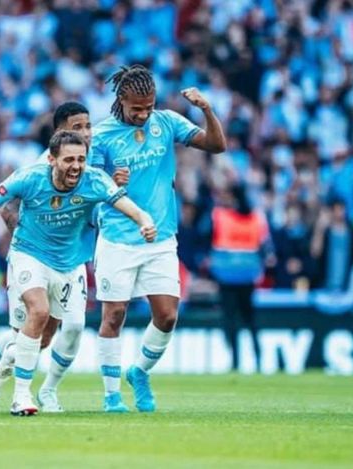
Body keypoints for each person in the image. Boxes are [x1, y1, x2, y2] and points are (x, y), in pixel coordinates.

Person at [0, 130, 157, 416]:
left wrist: (145, 221)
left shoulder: (95, 180)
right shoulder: (29, 178)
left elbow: (130, 208)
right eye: (69, 160)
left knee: (45, 339)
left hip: (68, 264)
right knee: (37, 312)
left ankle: (1, 365)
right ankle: (21, 396)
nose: (76, 166)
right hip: (28, 255)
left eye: (81, 159)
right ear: (52, 159)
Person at [91, 64, 226, 413]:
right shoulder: (102, 135)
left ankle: (139, 371)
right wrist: (110, 181)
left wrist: (206, 109)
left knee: (167, 316)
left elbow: (216, 144)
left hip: (162, 238)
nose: (143, 113)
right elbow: (86, 187)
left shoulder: (165, 123)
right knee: (114, 315)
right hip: (118, 238)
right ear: (121, 99)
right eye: (137, 107)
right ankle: (111, 396)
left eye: (148, 106)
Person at [0, 102, 105, 413]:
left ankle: (47, 390)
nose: (86, 133)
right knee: (37, 329)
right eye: (77, 128)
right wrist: (21, 237)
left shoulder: (97, 154)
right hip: (37, 256)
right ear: (60, 133)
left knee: (71, 327)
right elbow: (7, 205)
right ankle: (2, 369)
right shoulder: (43, 165)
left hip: (75, 257)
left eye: (88, 126)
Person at [206, 184, 273, 371]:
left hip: (226, 275)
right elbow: (266, 248)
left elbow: (206, 236)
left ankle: (235, 361)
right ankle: (258, 360)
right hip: (248, 275)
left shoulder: (219, 215)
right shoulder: (257, 218)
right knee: (250, 320)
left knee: (230, 320)